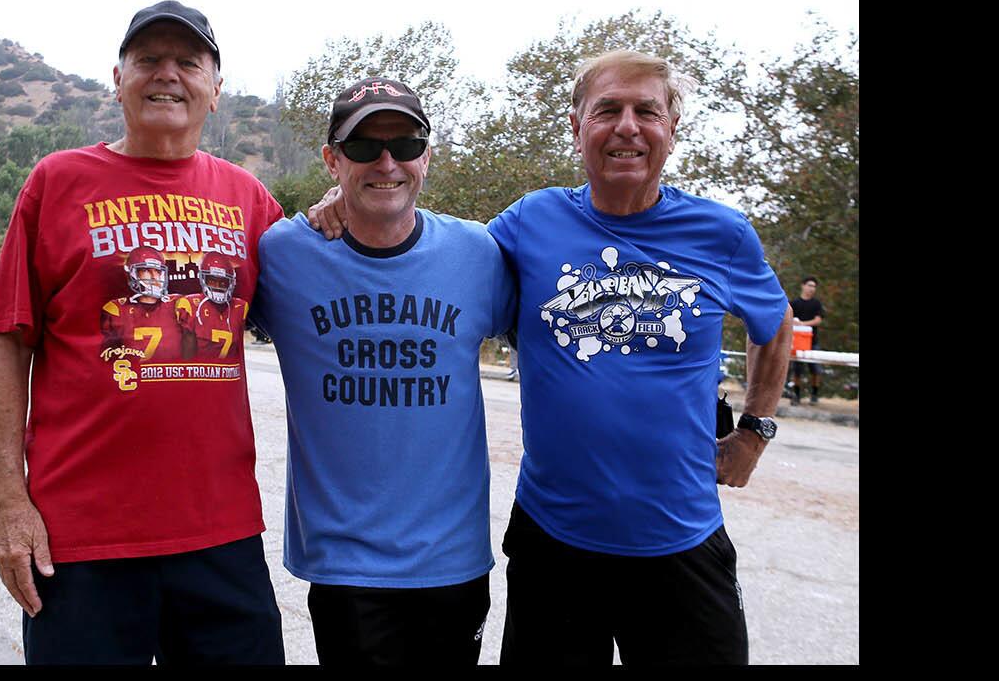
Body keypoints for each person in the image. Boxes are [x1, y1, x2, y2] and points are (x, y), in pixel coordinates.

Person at [308, 50, 794, 666]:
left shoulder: (721, 234)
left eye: (647, 110)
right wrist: (347, 196)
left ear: (674, 126)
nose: (627, 126)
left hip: (680, 539)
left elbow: (774, 323)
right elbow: (434, 247)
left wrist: (754, 429)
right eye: (607, 110)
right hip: (554, 544)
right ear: (577, 126)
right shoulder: (531, 221)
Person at [0, 0, 285, 666]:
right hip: (82, 543)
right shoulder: (56, 182)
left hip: (221, 535)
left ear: (215, 87)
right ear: (117, 79)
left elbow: (312, 304)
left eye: (187, 61)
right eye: (147, 59)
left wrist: (333, 212)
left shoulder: (252, 202)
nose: (166, 74)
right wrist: (11, 502)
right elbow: (7, 341)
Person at [253, 77, 515, 666]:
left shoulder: (478, 253)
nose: (387, 161)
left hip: (453, 559)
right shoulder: (282, 254)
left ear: (427, 155)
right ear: (332, 158)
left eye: (405, 143)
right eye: (364, 146)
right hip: (346, 563)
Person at [788, 276, 825, 405]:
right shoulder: (794, 303)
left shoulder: (816, 303)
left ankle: (814, 394)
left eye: (814, 286)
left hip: (812, 342)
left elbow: (818, 320)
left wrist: (803, 324)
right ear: (803, 285)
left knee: (815, 369)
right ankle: (796, 395)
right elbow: (787, 318)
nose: (811, 289)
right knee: (797, 370)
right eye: (809, 285)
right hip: (797, 342)